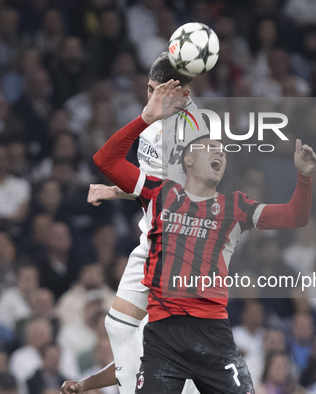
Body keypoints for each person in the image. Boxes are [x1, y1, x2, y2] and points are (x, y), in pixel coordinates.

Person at [90, 79, 316, 393]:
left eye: (223, 152)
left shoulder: (235, 208)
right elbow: (106, 160)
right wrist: (146, 117)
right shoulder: (159, 193)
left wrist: (304, 177)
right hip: (163, 336)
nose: (219, 153)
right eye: (210, 147)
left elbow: (295, 216)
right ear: (186, 159)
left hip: (212, 335)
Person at [65, 52, 209, 394]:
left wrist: (145, 117)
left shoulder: (191, 136)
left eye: (165, 94)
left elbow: (107, 159)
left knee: (154, 341)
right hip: (153, 241)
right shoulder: (156, 125)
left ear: (185, 95)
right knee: (118, 327)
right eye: (152, 91)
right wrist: (120, 191)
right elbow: (154, 183)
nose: (155, 100)